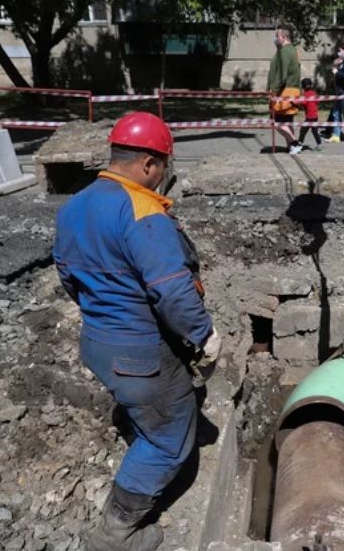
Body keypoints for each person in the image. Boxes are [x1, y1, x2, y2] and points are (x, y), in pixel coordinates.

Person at [53, 111, 222, 551]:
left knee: (145, 407)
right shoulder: (144, 211)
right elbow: (173, 293)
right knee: (168, 440)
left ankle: (138, 423)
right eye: (163, 165)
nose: (163, 175)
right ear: (149, 163)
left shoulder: (75, 205)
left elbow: (69, 278)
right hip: (139, 352)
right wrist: (205, 336)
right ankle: (115, 533)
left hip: (98, 342)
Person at [267, 27, 303, 155]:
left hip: (284, 91)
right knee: (287, 122)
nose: (275, 38)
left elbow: (281, 74)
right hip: (292, 90)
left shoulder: (285, 52)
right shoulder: (293, 50)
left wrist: (274, 90)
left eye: (277, 36)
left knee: (276, 122)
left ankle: (294, 143)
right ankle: (291, 147)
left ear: (283, 37)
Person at [297, 77, 323, 151]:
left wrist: (295, 101)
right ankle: (319, 144)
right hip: (315, 116)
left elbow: (303, 103)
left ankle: (299, 144)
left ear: (303, 87)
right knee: (314, 131)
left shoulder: (305, 94)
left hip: (309, 117)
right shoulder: (314, 93)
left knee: (303, 130)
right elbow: (317, 102)